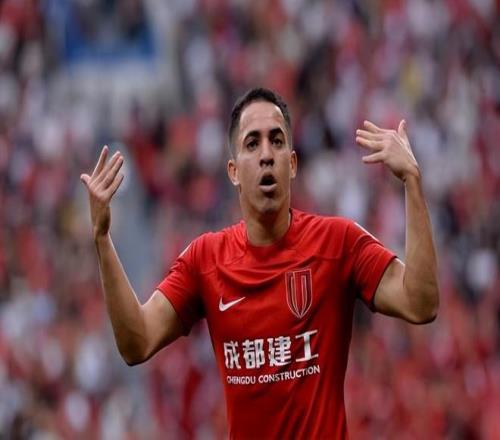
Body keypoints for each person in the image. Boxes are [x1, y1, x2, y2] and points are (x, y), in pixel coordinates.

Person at [80, 87, 439, 439]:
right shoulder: (205, 259)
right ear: (233, 171)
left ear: (292, 163)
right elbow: (137, 343)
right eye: (252, 143)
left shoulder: (338, 242)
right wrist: (102, 239)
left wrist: (412, 181)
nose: (266, 154)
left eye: (276, 141)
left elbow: (420, 303)